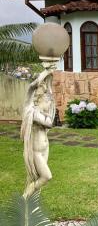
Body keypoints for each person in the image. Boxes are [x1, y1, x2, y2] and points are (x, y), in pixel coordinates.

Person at [20, 62, 56, 199]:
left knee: (39, 177)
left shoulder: (43, 112)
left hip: (45, 148)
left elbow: (50, 95)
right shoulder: (31, 110)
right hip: (36, 152)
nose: (49, 106)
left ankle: (33, 204)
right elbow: (31, 88)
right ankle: (26, 196)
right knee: (46, 176)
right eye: (48, 103)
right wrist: (45, 73)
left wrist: (49, 76)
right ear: (40, 100)